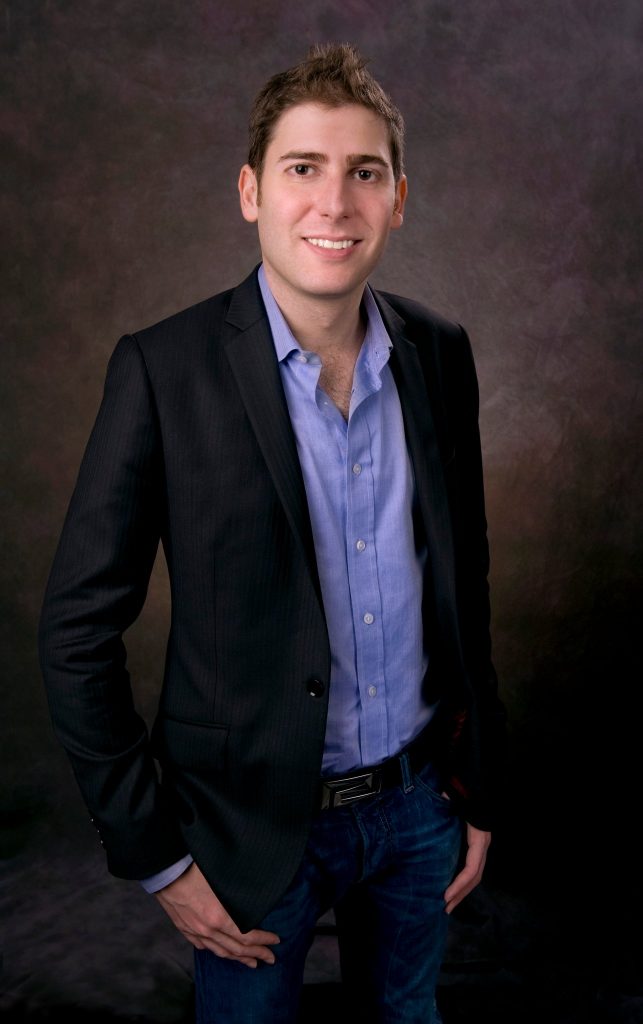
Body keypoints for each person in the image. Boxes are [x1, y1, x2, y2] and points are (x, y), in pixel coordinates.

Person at [39, 43, 506, 1024]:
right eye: (304, 169)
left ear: (398, 198)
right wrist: (158, 854)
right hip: (246, 836)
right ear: (251, 192)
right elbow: (76, 632)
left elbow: (465, 583)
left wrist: (478, 791)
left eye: (363, 172)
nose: (333, 204)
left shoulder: (440, 353)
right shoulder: (162, 371)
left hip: (421, 810)